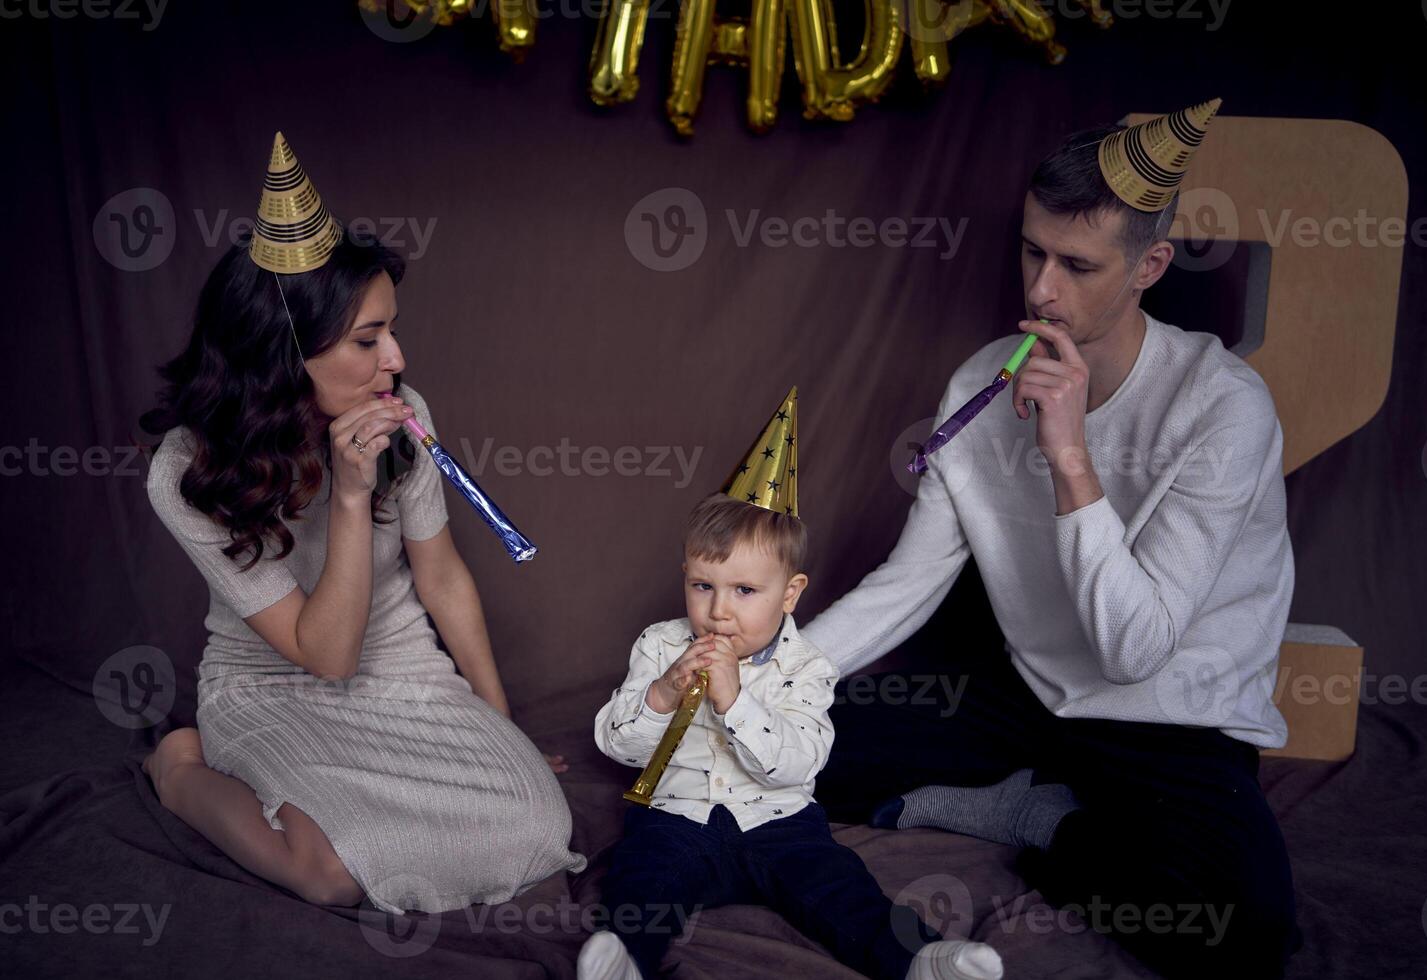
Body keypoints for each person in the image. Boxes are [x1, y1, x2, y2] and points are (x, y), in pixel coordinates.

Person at [805, 100, 1302, 979]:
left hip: (1171, 718)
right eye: (1033, 251)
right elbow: (905, 584)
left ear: (1149, 265)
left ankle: (1045, 824)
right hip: (1028, 700)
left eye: (1077, 265)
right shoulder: (980, 380)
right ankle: (1008, 801)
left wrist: (1070, 455)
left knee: (1239, 926)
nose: (1041, 289)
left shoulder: (1223, 407)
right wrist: (763, 684)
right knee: (792, 748)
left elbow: (1135, 651)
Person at [138, 132, 585, 914]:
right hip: (274, 685)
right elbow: (327, 657)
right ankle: (179, 770)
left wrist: (500, 724)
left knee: (542, 826)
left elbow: (442, 576)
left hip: (403, 671)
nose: (397, 358)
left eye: (391, 330)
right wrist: (349, 495)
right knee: (331, 874)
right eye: (368, 339)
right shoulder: (187, 469)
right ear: (286, 354)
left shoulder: (404, 415)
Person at [579, 390, 1004, 980]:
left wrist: (733, 699)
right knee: (642, 879)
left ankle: (919, 960)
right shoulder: (660, 645)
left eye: (744, 591)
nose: (718, 612)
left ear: (791, 593)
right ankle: (625, 960)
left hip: (777, 822)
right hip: (676, 816)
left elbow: (796, 765)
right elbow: (617, 744)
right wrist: (663, 695)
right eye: (703, 586)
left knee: (837, 885)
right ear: (686, 577)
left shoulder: (808, 666)